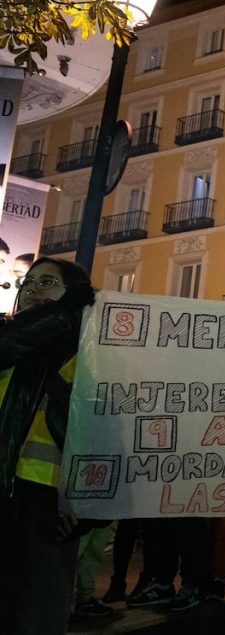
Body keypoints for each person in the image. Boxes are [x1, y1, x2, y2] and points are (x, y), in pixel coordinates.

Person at [0, 257, 97, 633]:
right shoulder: (10, 338)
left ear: (75, 295)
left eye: (46, 283)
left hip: (47, 505)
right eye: (28, 283)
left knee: (34, 613)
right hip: (7, 492)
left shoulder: (90, 355)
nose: (32, 289)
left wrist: (90, 507)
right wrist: (59, 312)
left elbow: (109, 434)